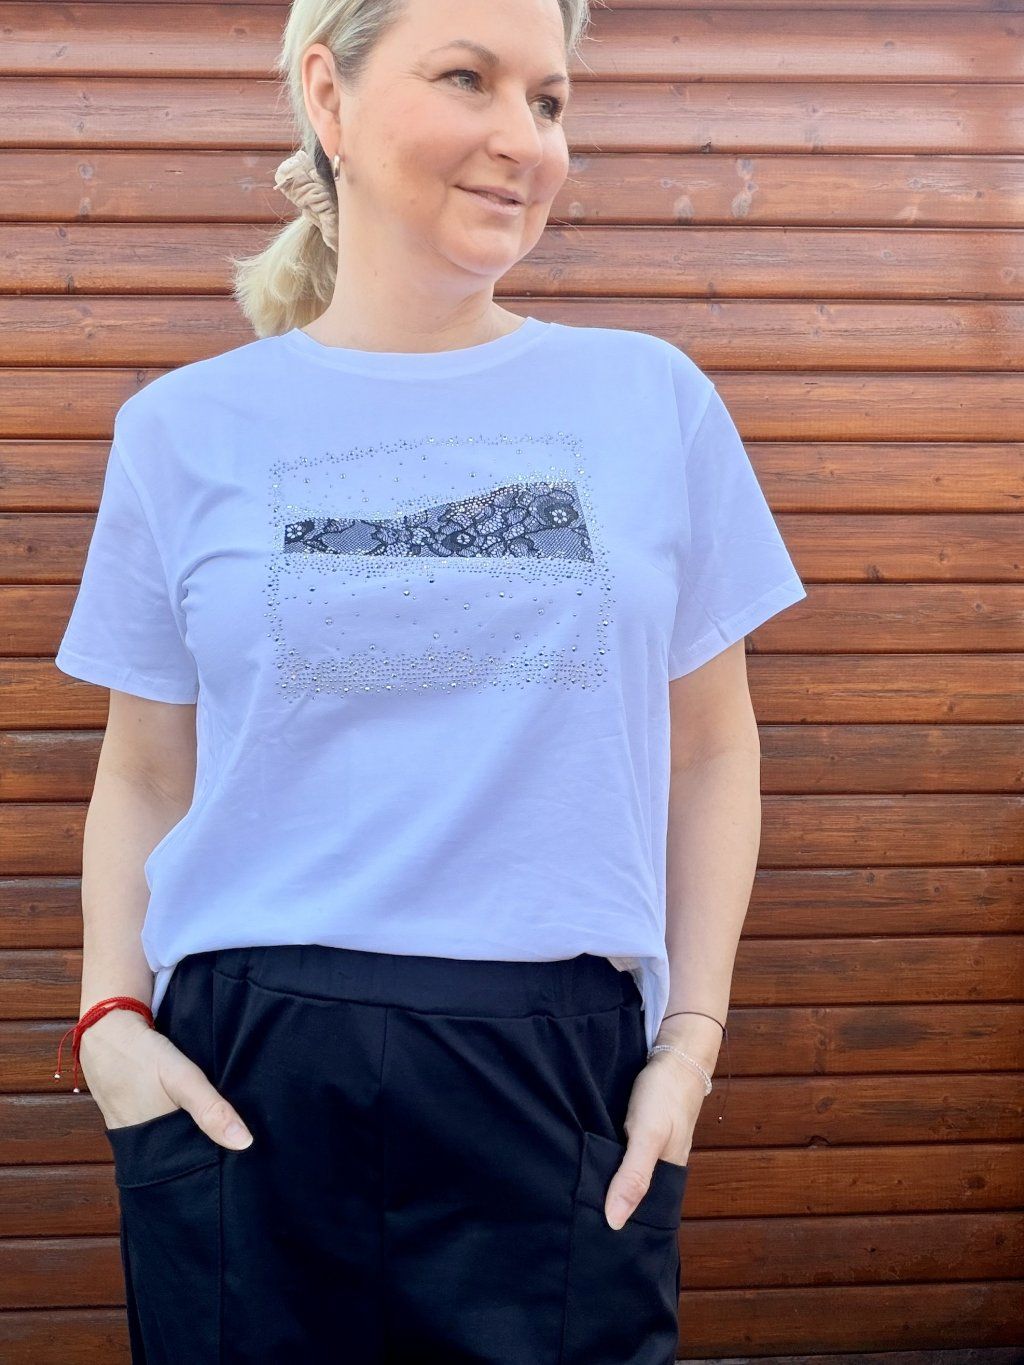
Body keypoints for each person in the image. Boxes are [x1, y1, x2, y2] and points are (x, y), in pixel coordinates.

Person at [52, 0, 807, 1360]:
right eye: (468, 77)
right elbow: (146, 770)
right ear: (327, 97)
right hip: (246, 1073)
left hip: (556, 1066)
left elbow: (710, 749)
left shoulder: (651, 399)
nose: (525, 138)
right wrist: (111, 1020)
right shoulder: (181, 427)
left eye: (550, 100)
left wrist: (689, 1042)